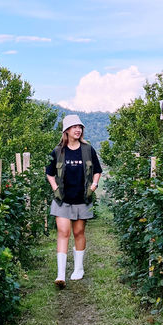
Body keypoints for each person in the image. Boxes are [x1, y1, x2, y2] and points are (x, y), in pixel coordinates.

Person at [46, 114, 102, 288]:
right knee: (63, 232)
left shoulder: (87, 149)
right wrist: (55, 188)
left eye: (80, 127)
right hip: (62, 199)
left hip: (81, 199)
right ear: (66, 131)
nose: (78, 130)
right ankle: (60, 274)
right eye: (74, 127)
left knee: (79, 233)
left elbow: (97, 170)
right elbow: (49, 173)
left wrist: (93, 186)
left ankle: (78, 268)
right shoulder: (57, 151)